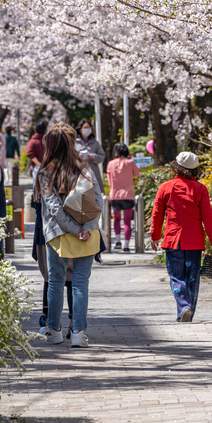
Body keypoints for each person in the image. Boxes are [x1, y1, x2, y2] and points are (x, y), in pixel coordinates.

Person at [37, 123, 103, 347]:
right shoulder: (85, 168)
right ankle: (78, 333)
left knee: (55, 281)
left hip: (58, 235)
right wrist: (87, 228)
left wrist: (73, 230)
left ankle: (54, 330)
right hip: (87, 233)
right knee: (80, 283)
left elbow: (54, 208)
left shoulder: (46, 172)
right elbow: (99, 201)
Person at [151, 152, 212, 323]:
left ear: (176, 166)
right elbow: (208, 219)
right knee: (192, 278)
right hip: (194, 242)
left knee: (177, 277)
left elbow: (157, 214)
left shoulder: (166, 187)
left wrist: (155, 236)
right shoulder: (200, 189)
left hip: (173, 240)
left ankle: (184, 307)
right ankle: (186, 312)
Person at [106, 143, 141, 252]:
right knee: (127, 221)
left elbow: (108, 180)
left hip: (115, 195)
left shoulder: (111, 164)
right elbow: (137, 174)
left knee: (116, 219)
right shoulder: (130, 162)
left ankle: (117, 242)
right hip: (128, 195)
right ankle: (126, 246)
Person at [74, 120, 105, 191]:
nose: (87, 129)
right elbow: (70, 157)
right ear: (80, 130)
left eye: (88, 127)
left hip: (93, 173)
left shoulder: (95, 143)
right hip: (80, 173)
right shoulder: (75, 143)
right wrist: (78, 157)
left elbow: (102, 156)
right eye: (85, 127)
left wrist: (92, 157)